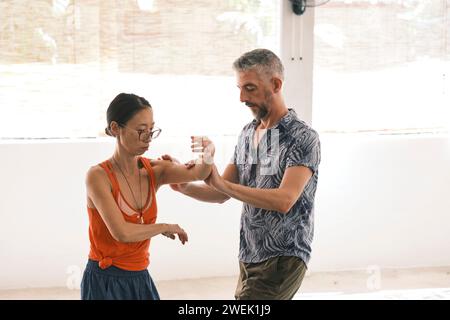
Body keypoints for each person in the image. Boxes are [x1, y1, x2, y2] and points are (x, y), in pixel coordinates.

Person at [166, 49, 321, 300]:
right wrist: (184, 186)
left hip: (283, 257)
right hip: (249, 254)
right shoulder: (248, 133)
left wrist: (218, 181)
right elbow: (220, 193)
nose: (241, 97)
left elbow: (284, 200)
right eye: (239, 88)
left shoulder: (303, 138)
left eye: (249, 88)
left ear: (276, 84)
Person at [81, 93, 214, 300]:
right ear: (116, 128)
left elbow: (199, 173)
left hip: (140, 277)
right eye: (141, 131)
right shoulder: (97, 176)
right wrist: (165, 227)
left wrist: (207, 153)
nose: (148, 138)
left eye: (152, 130)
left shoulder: (155, 169)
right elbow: (122, 233)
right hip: (104, 280)